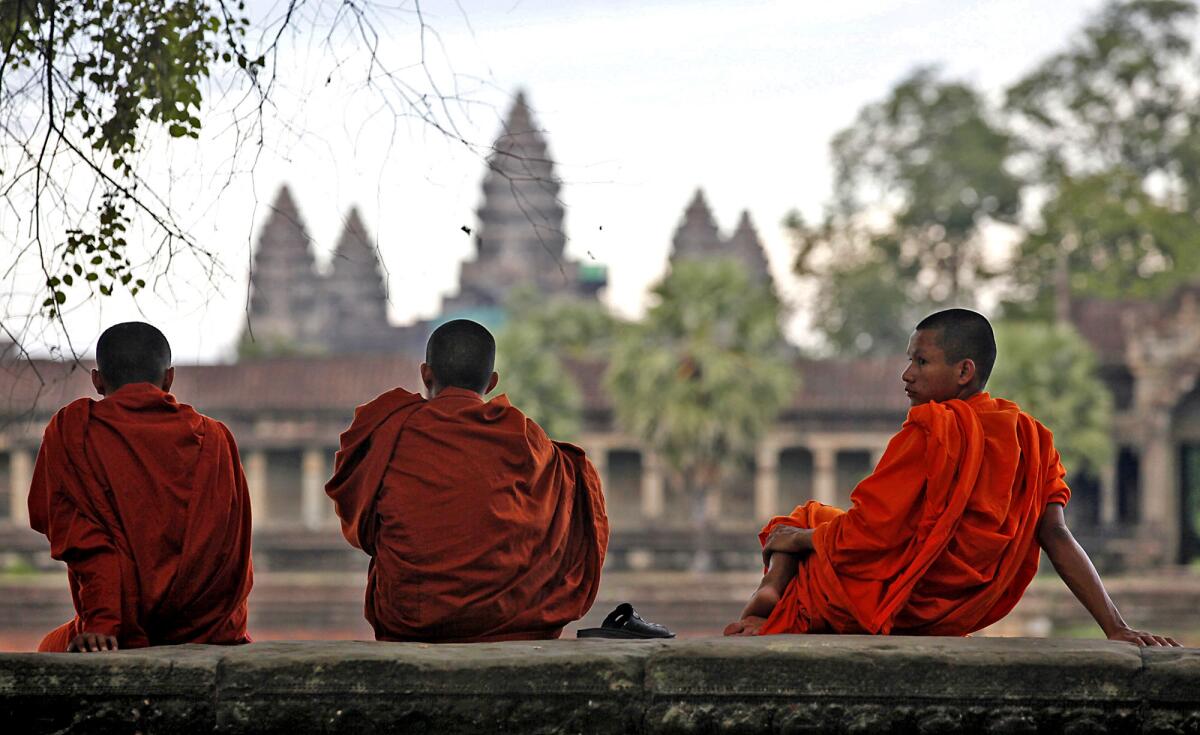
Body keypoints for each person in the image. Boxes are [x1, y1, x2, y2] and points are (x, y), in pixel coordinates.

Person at [725, 308, 1179, 647]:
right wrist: (1114, 626)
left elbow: (870, 531)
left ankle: (770, 600)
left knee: (803, 520)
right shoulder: (1030, 438)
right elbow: (1058, 538)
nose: (906, 375)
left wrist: (797, 540)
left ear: (964, 371)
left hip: (895, 601)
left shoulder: (932, 430)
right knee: (813, 523)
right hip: (957, 612)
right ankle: (775, 595)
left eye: (921, 363)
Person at [326, 319, 608, 642]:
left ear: (425, 375)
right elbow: (578, 490)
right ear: (491, 383)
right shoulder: (524, 438)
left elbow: (361, 525)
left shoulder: (388, 429)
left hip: (414, 623)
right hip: (511, 622)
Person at [29, 322, 253, 652]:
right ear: (169, 378)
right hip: (205, 629)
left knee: (50, 651)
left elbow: (83, 540)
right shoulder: (215, 439)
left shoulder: (72, 433)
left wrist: (103, 620)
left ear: (97, 380)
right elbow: (227, 545)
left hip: (113, 628)